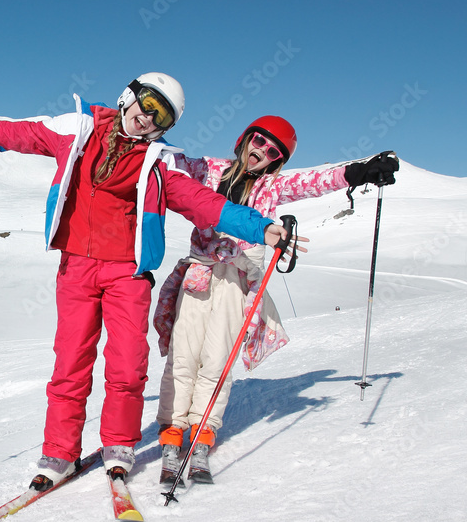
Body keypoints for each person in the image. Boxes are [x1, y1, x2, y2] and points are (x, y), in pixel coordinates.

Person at [0, 75, 298, 491]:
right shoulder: (77, 129)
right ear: (129, 96)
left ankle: (119, 446)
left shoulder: (157, 164)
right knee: (71, 362)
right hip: (76, 267)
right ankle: (59, 452)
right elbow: (12, 133)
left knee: (128, 366)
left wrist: (261, 229)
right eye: (147, 103)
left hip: (127, 274)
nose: (147, 118)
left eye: (160, 115)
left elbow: (206, 204)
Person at [152, 116, 399, 483]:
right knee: (183, 357)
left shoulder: (273, 187)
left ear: (276, 161)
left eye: (272, 152)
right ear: (245, 139)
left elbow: (315, 181)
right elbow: (170, 162)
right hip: (200, 273)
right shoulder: (208, 170)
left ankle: (203, 434)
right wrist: (151, 137)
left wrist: (360, 172)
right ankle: (172, 432)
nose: (261, 152)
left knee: (216, 361)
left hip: (237, 280)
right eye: (259, 142)